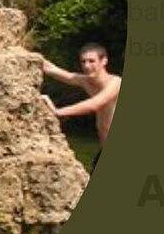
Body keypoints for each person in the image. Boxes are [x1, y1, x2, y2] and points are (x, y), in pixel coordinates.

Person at [40, 43, 121, 173]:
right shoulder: (86, 81)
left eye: (91, 61)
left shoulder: (116, 83)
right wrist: (32, 57)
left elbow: (95, 104)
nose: (87, 66)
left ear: (104, 61)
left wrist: (58, 112)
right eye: (83, 62)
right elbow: (54, 70)